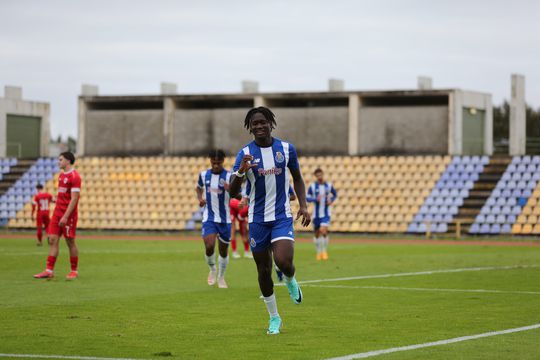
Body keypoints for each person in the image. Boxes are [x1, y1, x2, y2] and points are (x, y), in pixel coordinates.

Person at [229, 106, 311, 335]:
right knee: (263, 270)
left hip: (281, 216)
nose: (259, 126)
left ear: (270, 123)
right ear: (250, 127)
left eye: (262, 122)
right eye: (254, 123)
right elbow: (232, 191)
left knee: (284, 262)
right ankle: (274, 317)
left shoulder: (286, 149)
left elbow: (298, 179)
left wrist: (303, 206)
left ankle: (291, 279)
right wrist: (240, 172)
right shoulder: (244, 153)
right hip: (257, 219)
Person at [34, 152, 81, 280]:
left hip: (68, 215)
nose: (58, 162)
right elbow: (63, 195)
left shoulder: (75, 176)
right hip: (57, 213)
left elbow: (74, 199)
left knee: (70, 241)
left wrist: (65, 216)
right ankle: (49, 270)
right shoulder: (61, 176)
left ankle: (74, 271)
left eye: (60, 159)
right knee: (52, 240)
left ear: (68, 161)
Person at [196, 149, 232, 289]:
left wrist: (231, 190)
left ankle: (221, 277)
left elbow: (239, 195)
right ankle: (212, 269)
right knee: (209, 246)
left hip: (225, 219)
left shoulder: (229, 176)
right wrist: (200, 198)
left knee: (223, 251)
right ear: (210, 161)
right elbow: (198, 188)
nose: (216, 165)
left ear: (223, 161)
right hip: (209, 217)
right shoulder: (204, 175)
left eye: (218, 163)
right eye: (213, 162)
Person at [307, 168, 337, 260]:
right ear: (315, 176)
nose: (319, 176)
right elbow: (307, 198)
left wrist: (331, 200)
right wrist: (315, 199)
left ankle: (324, 252)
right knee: (316, 234)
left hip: (326, 213)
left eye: (321, 174)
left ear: (323, 174)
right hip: (316, 215)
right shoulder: (312, 186)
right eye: (317, 175)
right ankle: (318, 252)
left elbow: (335, 194)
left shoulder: (328, 185)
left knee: (323, 231)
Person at [230, 192, 251, 259]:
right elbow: (240, 216)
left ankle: (247, 252)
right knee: (233, 230)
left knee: (244, 232)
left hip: (241, 213)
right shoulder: (246, 208)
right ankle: (234, 252)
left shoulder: (248, 207)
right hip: (233, 210)